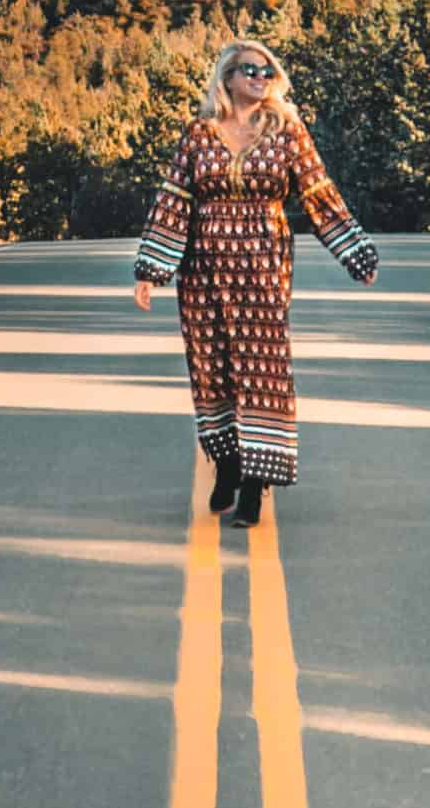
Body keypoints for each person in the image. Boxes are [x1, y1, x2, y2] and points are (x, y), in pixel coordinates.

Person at [132, 38, 378, 527]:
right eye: (250, 70)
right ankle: (226, 465)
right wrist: (151, 271)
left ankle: (254, 486)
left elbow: (319, 194)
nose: (260, 80)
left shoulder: (287, 131)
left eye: (268, 73)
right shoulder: (200, 134)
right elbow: (174, 201)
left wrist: (355, 254)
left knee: (262, 372)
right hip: (203, 271)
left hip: (263, 270)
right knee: (211, 369)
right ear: (227, 77)